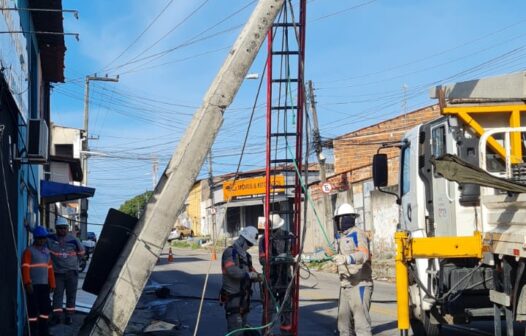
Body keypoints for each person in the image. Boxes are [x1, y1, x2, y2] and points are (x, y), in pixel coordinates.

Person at [329, 203, 373, 336]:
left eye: (339, 219)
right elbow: (327, 252)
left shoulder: (358, 234)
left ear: (345, 218)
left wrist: (347, 259)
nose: (337, 222)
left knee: (361, 326)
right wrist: (304, 258)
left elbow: (364, 255)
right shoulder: (339, 237)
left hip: (359, 284)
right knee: (343, 326)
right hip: (345, 285)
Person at [220, 226, 262, 334]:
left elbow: (252, 272)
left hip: (244, 301)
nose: (249, 246)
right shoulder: (230, 253)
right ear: (243, 239)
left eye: (251, 244)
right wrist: (248, 275)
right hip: (233, 299)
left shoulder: (247, 256)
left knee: (242, 329)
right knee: (236, 331)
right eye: (249, 243)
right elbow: (232, 271)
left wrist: (259, 276)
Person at [258, 214, 294, 335]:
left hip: (284, 278)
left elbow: (294, 257)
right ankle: (267, 332)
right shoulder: (264, 239)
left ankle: (285, 332)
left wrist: (289, 258)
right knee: (269, 309)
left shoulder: (288, 237)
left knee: (286, 309)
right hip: (271, 279)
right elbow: (262, 260)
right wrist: (276, 259)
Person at [48, 217, 85, 325]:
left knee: (71, 295)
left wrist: (75, 262)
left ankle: (69, 317)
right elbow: (39, 234)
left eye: (64, 228)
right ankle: (57, 317)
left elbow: (82, 252)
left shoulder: (74, 239)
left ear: (67, 228)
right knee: (57, 296)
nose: (62, 230)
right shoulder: (50, 238)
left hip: (71, 273)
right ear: (56, 228)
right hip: (57, 273)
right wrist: (29, 227)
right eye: (60, 228)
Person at [22, 226, 56, 336]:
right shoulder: (29, 251)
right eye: (40, 238)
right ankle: (33, 332)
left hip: (44, 286)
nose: (42, 240)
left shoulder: (47, 252)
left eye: (44, 238)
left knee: (45, 309)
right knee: (32, 309)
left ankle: (44, 331)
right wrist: (27, 282)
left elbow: (50, 269)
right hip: (33, 286)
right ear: (35, 238)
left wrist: (52, 283)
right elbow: (25, 267)